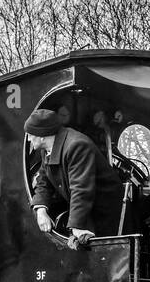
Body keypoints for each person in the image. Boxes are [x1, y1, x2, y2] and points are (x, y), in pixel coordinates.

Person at [26, 106, 120, 248]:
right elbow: (43, 180)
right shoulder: (47, 149)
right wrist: (41, 209)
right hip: (88, 213)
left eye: (30, 134)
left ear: (41, 135)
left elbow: (81, 188)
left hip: (106, 216)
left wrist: (76, 225)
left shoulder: (77, 145)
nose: (29, 140)